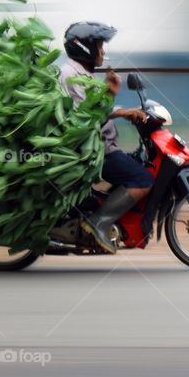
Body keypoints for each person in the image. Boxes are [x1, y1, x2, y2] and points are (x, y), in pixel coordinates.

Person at [59, 21, 152, 254]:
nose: (103, 52)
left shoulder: (81, 73)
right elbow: (85, 114)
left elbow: (95, 107)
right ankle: (98, 223)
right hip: (91, 148)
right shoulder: (70, 75)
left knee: (136, 165)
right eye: (100, 46)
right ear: (85, 48)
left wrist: (114, 101)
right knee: (142, 180)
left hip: (100, 144)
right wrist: (120, 110)